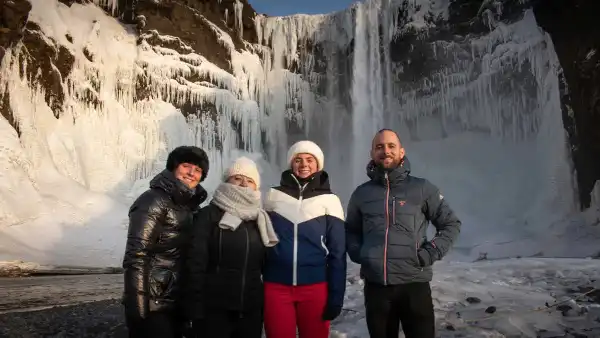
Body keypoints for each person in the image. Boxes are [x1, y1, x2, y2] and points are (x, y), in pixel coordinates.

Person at [345, 129, 461, 338]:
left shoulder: (423, 189)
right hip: (377, 287)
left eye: (391, 146)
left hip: (414, 286)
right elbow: (351, 230)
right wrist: (359, 253)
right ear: (372, 153)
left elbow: (451, 224)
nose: (385, 151)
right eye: (379, 147)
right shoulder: (361, 194)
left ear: (401, 152)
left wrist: (429, 253)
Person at [184, 156, 279, 338]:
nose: (243, 184)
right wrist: (194, 305)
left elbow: (266, 265)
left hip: (250, 309)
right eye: (237, 178)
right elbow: (195, 262)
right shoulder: (208, 215)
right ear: (226, 181)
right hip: (214, 309)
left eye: (249, 180)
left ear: (256, 187)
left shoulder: (261, 219)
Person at [122, 145, 210, 338]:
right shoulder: (154, 200)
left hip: (177, 302)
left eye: (198, 170)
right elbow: (136, 255)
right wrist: (138, 309)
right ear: (174, 167)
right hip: (153, 303)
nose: (191, 173)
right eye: (187, 166)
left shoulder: (191, 207)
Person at [262, 140, 347, 338]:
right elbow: (261, 239)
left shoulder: (330, 200)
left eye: (310, 159)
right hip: (276, 287)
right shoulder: (273, 195)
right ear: (291, 164)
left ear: (318, 165)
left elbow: (338, 252)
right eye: (298, 159)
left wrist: (336, 295)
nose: (304, 164)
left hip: (315, 287)